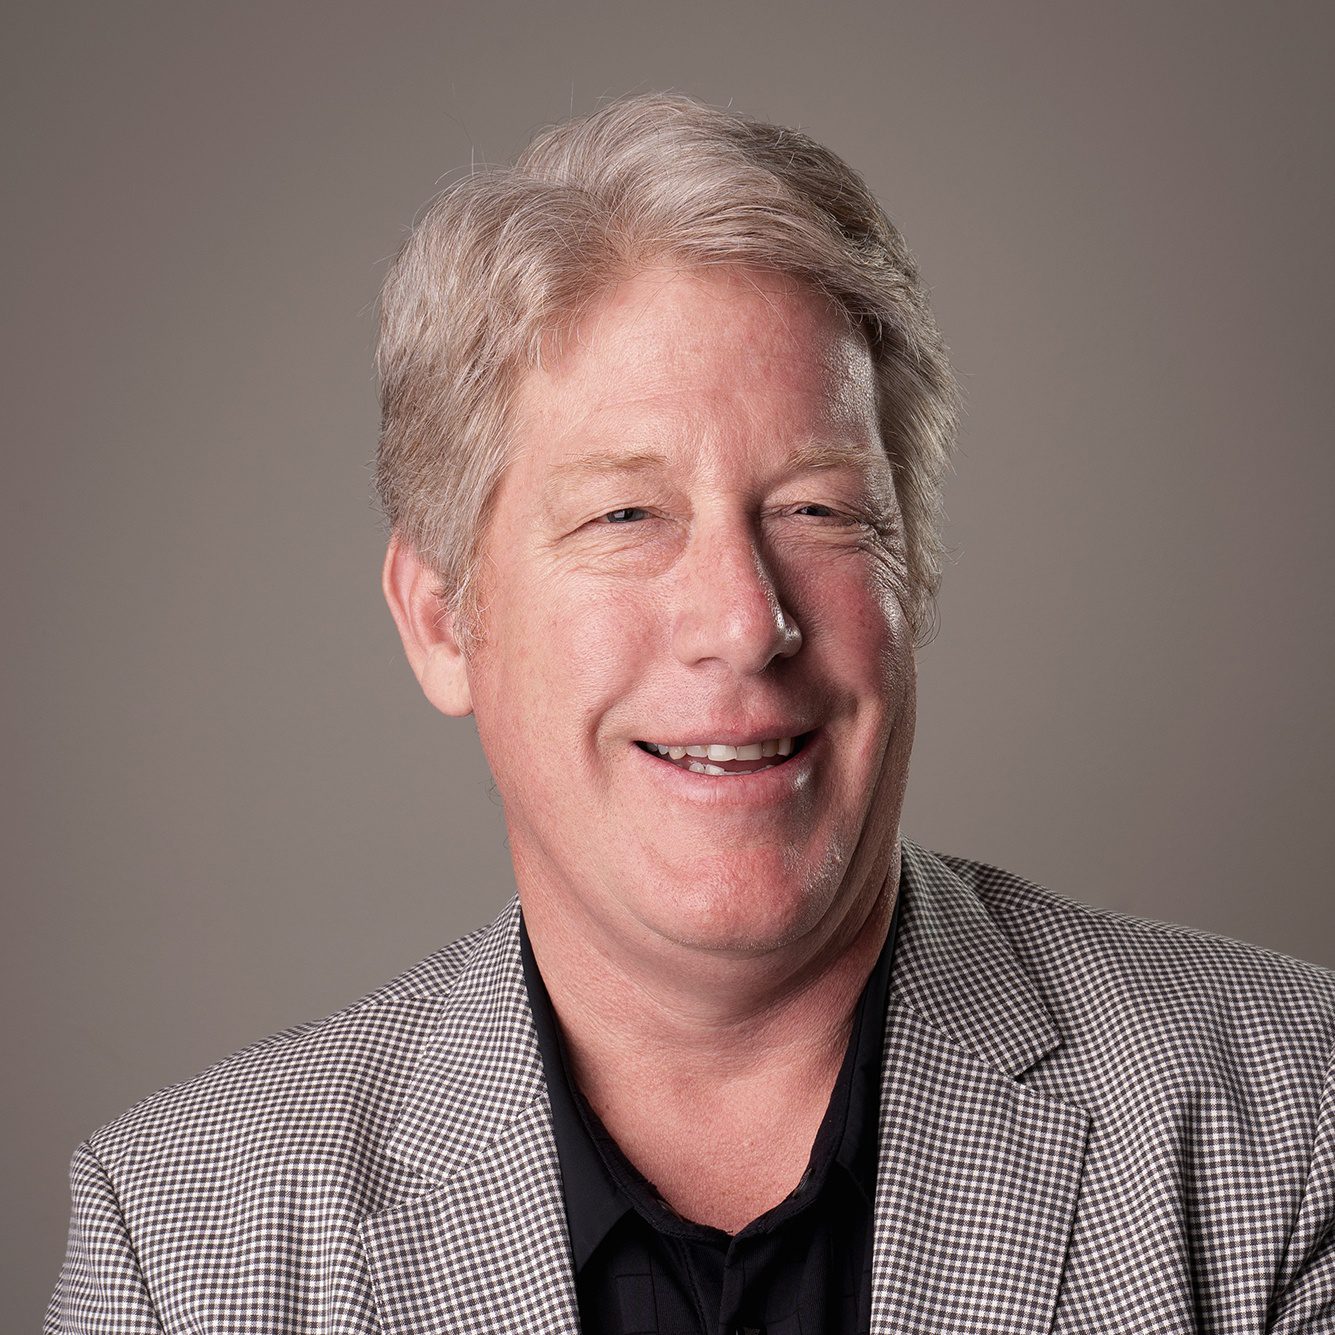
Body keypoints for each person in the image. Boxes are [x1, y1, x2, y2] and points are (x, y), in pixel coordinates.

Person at [47, 93, 1333, 1334]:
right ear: (443, 617)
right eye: (626, 515)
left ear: (916, 578)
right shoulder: (185, 1248)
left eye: (819, 511)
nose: (743, 619)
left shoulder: (1292, 1129)